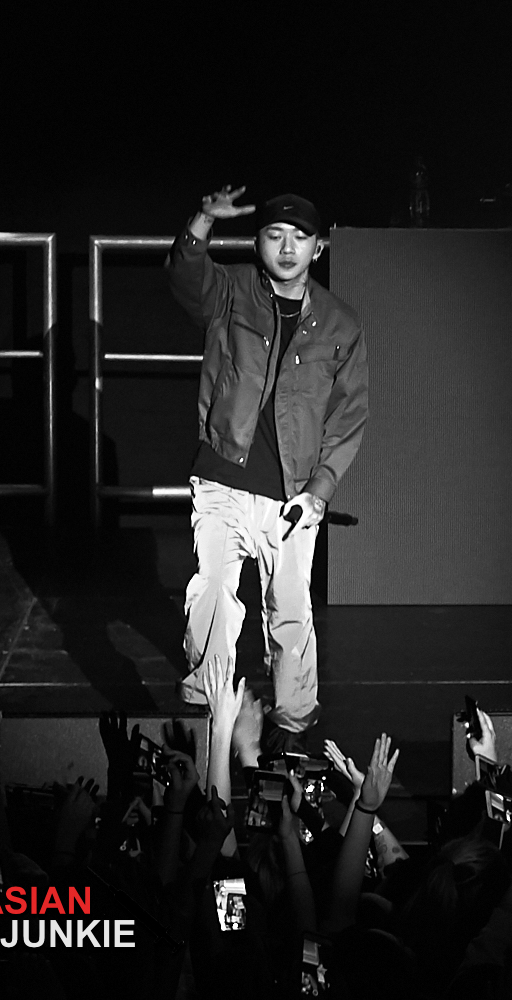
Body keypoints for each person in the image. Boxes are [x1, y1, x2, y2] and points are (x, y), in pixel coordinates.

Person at [169, 186, 369, 745]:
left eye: (299, 238)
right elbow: (185, 278)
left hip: (292, 495)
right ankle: (205, 710)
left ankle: (293, 728)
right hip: (222, 477)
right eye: (274, 236)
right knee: (212, 594)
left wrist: (320, 490)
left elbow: (349, 415)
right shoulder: (230, 291)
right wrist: (202, 219)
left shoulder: (340, 323)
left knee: (291, 611)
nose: (286, 248)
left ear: (318, 248)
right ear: (257, 243)